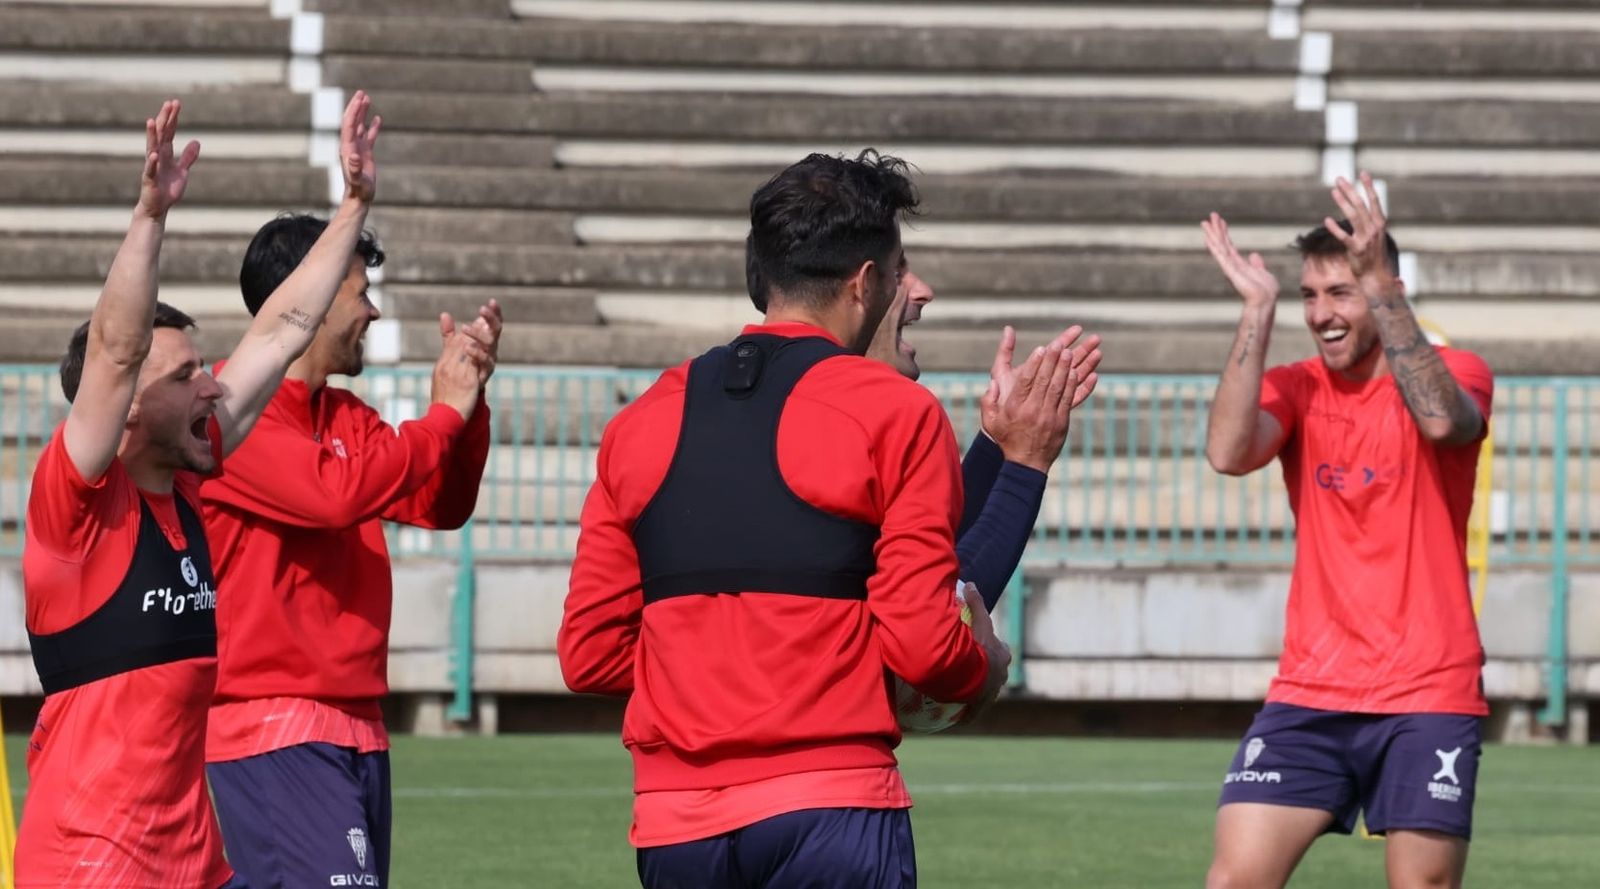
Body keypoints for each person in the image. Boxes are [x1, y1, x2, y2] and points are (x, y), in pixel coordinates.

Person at [560, 151, 1066, 888]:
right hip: (832, 808)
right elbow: (925, 649)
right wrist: (980, 666)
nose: (912, 289)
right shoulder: (894, 410)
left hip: (675, 827)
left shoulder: (639, 423)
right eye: (900, 272)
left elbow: (590, 654)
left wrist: (717, 657)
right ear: (865, 283)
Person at [17, 92, 381, 889]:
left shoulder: (185, 476)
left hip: (194, 866)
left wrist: (352, 207)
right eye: (186, 376)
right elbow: (115, 351)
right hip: (90, 863)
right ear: (125, 410)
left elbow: (284, 329)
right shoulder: (74, 508)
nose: (211, 390)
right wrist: (150, 216)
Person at [196, 158, 501, 889]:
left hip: (354, 723)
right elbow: (333, 495)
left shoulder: (345, 416)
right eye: (361, 293)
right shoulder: (226, 412)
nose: (371, 312)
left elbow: (439, 504)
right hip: (272, 726)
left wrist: (469, 404)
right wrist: (442, 416)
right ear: (312, 299)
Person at [1201, 173, 1493, 889]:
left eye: (1341, 292)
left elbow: (1440, 419)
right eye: (1309, 295)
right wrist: (1258, 311)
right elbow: (1228, 452)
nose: (1322, 313)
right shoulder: (1298, 386)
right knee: (1233, 880)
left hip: (1427, 691)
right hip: (1310, 690)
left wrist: (1382, 286)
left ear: (1381, 287)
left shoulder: (1459, 370)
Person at [754, 259, 1105, 609]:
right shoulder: (835, 424)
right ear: (860, 287)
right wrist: (1026, 466)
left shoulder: (762, 400)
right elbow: (932, 613)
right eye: (898, 271)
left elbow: (933, 552)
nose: (923, 291)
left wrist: (999, 440)